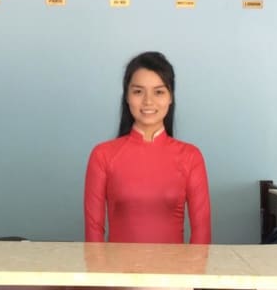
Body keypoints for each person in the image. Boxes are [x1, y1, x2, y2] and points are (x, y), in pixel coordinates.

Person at [84, 51, 212, 244]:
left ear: (171, 97)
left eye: (159, 92)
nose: (148, 101)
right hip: (117, 264)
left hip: (175, 265)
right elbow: (93, 232)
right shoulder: (103, 155)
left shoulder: (190, 157)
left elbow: (202, 233)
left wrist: (195, 266)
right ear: (127, 96)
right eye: (138, 91)